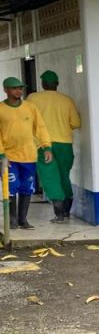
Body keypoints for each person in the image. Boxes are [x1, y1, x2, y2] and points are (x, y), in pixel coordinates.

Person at [0, 76, 53, 229]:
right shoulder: (1, 109)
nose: (19, 91)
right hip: (8, 157)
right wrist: (1, 154)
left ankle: (23, 219)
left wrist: (46, 147)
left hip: (29, 156)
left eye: (20, 88)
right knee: (11, 187)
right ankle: (12, 220)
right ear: (5, 90)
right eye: (15, 88)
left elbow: (41, 127)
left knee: (27, 188)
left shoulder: (30, 107)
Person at [29, 70, 81, 222]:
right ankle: (66, 211)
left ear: (43, 84)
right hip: (65, 145)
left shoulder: (33, 98)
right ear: (57, 84)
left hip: (43, 145)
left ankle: (59, 214)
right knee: (64, 176)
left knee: (50, 177)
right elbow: (76, 123)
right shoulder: (67, 100)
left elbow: (28, 120)